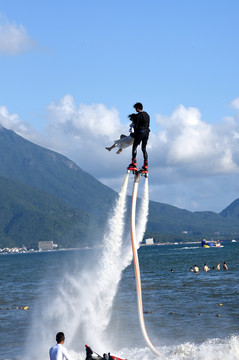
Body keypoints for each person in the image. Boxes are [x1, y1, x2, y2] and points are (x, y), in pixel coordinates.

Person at [128, 102, 150, 172]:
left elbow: (136, 127)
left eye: (135, 108)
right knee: (144, 148)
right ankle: (145, 164)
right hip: (147, 133)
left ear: (137, 108)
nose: (135, 110)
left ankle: (134, 163)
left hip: (141, 132)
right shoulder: (147, 114)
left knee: (135, 146)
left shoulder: (138, 116)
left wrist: (134, 134)